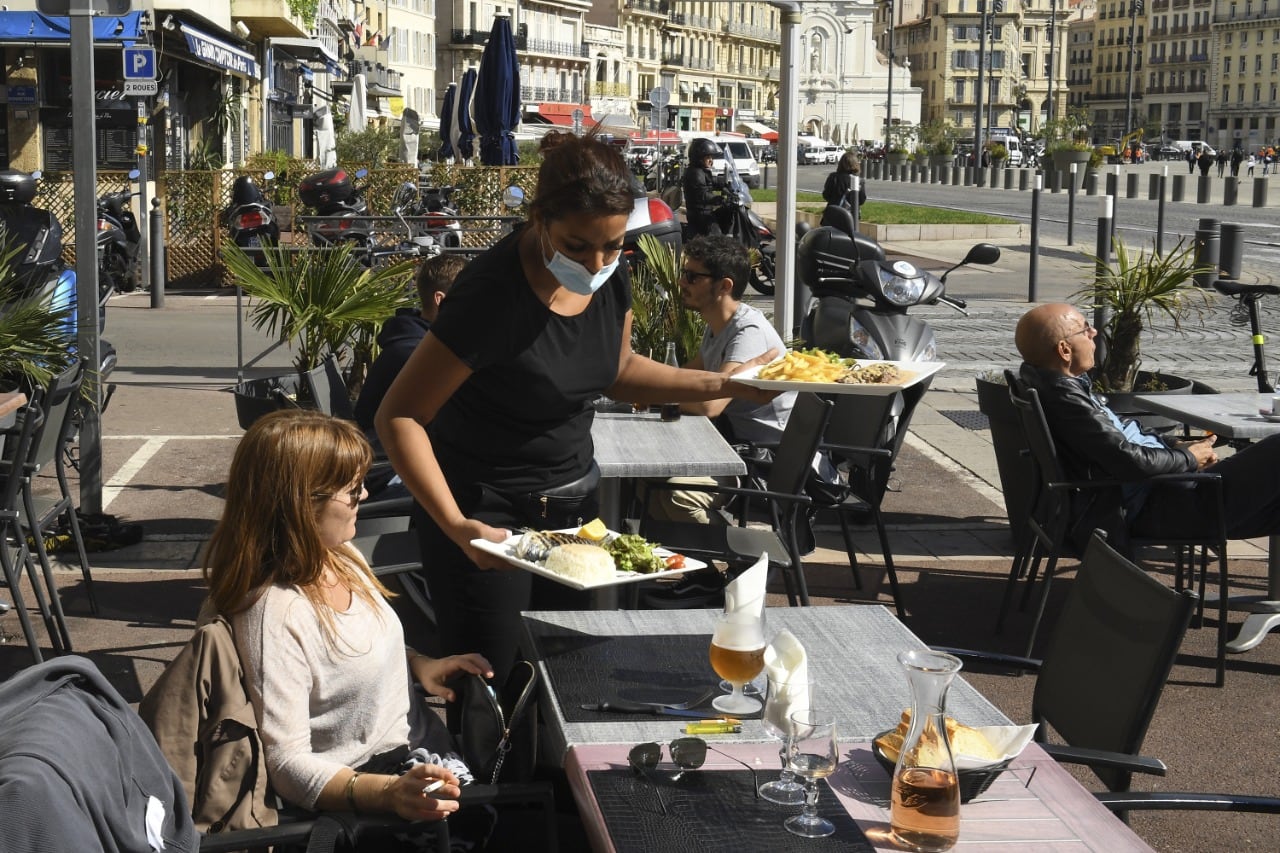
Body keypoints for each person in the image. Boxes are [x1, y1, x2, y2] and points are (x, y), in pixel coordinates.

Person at [375, 129, 778, 689]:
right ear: (540, 220)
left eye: (612, 246)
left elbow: (617, 369)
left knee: (573, 682)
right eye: (576, 246)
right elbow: (400, 416)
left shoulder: (611, 276)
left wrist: (721, 381)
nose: (595, 263)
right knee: (492, 691)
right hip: (485, 517)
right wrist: (456, 526)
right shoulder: (489, 295)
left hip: (573, 510)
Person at [204, 409, 492, 821]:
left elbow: (346, 651)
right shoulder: (274, 613)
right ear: (301, 502)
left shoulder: (337, 555)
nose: (366, 497)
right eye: (353, 490)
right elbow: (287, 766)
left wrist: (417, 664)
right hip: (372, 789)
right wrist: (389, 794)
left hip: (424, 760)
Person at [1014, 303, 1280, 548]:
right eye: (1085, 329)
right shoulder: (1064, 397)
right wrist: (1188, 458)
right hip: (1161, 504)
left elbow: (1119, 432)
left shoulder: (1054, 385)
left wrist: (1173, 444)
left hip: (1160, 491)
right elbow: (1129, 461)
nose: (1094, 332)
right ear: (1064, 349)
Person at [647, 235, 795, 524]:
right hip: (731, 447)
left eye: (692, 276)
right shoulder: (718, 324)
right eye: (683, 274)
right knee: (645, 483)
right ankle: (702, 570)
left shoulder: (747, 332)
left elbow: (710, 405)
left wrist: (647, 396)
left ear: (724, 285)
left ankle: (744, 557)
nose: (681, 283)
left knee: (680, 494)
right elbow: (686, 376)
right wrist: (635, 384)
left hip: (765, 462)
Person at [354, 253, 466, 440]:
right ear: (441, 300)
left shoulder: (414, 339)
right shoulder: (416, 353)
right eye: (469, 297)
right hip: (385, 456)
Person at [683, 136, 724, 238]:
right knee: (716, 236)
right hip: (700, 215)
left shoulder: (701, 171)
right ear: (699, 158)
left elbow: (712, 182)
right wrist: (717, 199)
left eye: (711, 157)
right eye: (708, 157)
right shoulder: (695, 173)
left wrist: (725, 185)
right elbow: (702, 194)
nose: (711, 160)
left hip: (704, 211)